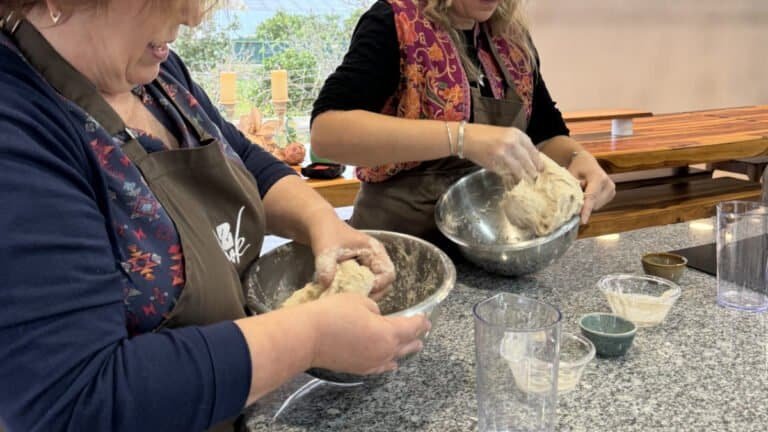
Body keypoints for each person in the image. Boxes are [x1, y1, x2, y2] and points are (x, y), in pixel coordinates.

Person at [0, 1, 429, 431]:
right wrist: (309, 338)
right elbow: (74, 400)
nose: (191, 17)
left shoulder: (156, 75)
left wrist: (325, 224)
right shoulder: (18, 128)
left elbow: (244, 160)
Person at [311, 0, 617, 244]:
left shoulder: (511, 39)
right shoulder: (394, 22)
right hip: (399, 244)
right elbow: (328, 133)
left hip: (489, 242)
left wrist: (580, 158)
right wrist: (462, 138)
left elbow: (545, 132)